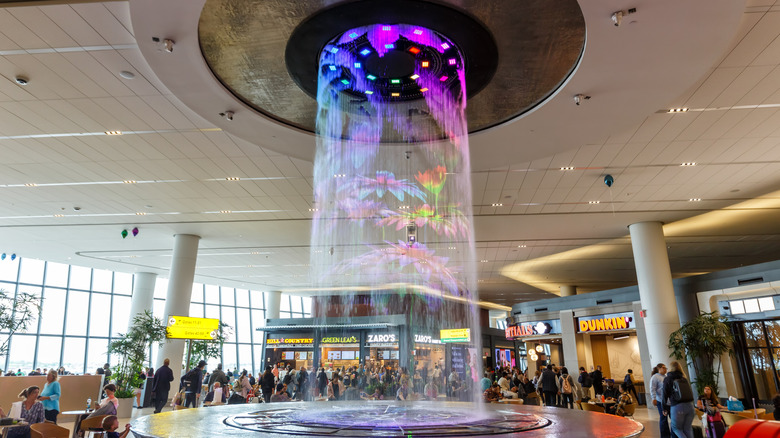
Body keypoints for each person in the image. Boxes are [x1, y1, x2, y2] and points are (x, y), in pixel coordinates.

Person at [663, 361, 695, 438]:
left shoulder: (668, 379)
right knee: (688, 428)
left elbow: (664, 394)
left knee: (677, 429)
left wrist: (664, 408)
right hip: (690, 406)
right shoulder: (684, 378)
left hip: (677, 407)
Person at [650, 363, 673, 438]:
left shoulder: (666, 377)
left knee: (673, 418)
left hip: (669, 401)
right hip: (661, 401)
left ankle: (673, 434)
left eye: (666, 367)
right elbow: (652, 388)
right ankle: (665, 436)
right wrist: (653, 398)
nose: (665, 369)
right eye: (664, 367)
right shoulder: (655, 377)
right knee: (663, 419)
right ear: (659, 368)